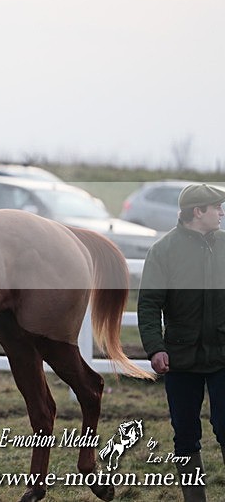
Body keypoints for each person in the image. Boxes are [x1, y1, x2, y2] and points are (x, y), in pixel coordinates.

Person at [138, 183, 225, 502]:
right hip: (180, 359)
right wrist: (155, 347)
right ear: (197, 211)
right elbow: (148, 305)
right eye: (216, 207)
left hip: (222, 357)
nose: (221, 212)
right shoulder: (163, 251)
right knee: (186, 436)